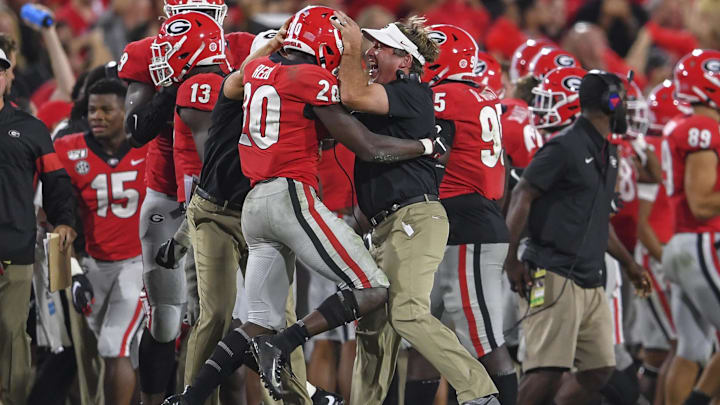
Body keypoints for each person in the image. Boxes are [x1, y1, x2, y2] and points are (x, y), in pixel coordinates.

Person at [164, 6, 445, 404]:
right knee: (373, 288)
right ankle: (286, 345)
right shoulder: (311, 77)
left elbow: (248, 84)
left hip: (254, 206)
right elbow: (366, 147)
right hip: (289, 198)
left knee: (257, 322)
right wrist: (426, 145)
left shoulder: (256, 72)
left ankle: (188, 399)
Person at [330, 12, 499, 405]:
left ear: (406, 61)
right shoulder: (389, 98)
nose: (372, 52)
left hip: (414, 218)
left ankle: (479, 392)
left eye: (382, 48)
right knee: (373, 328)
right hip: (386, 223)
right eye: (371, 46)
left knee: (406, 313)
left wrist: (352, 48)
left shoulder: (412, 92)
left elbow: (352, 97)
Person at [117, 0, 255, 402]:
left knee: (229, 323)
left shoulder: (245, 48)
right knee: (166, 320)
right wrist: (185, 76)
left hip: (224, 197)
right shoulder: (150, 53)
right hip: (167, 196)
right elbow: (136, 130)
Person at [504, 70, 652, 404]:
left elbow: (600, 219)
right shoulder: (564, 146)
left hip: (589, 276)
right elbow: (521, 195)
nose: (626, 107)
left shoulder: (608, 151)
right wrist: (511, 260)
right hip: (554, 271)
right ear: (609, 102)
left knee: (598, 369)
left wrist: (629, 265)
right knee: (546, 371)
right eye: (622, 99)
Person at [422, 24, 517, 405]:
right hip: (466, 222)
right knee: (424, 342)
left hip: (467, 229)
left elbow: (432, 156)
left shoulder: (447, 95)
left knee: (484, 340)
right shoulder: (480, 95)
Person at [54, 78, 147, 405]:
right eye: (92, 109)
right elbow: (51, 219)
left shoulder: (148, 147)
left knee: (114, 346)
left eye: (107, 109)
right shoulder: (68, 148)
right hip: (92, 265)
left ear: (127, 111)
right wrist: (70, 274)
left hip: (138, 264)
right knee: (122, 352)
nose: (97, 116)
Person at [0, 47, 76, 405]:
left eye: (0, 70)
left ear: (8, 77)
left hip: (14, 248)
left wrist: (63, 221)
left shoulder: (30, 128)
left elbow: (56, 180)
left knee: (12, 333)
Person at [661, 49, 720, 405]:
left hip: (683, 245)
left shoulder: (687, 125)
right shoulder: (703, 128)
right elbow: (701, 203)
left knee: (692, 348)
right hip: (701, 242)